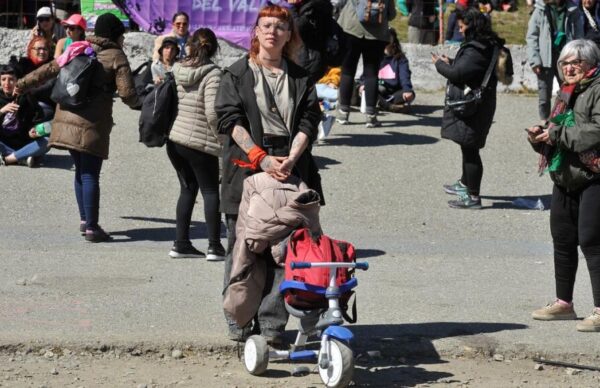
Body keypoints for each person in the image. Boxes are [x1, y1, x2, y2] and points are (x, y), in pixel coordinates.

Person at [214, 3, 323, 344]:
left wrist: (291, 158)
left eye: (280, 26)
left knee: (285, 252)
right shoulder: (235, 74)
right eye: (267, 25)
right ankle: (240, 322)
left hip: (291, 173)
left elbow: (309, 120)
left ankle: (272, 326)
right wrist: (261, 159)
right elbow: (228, 119)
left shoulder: (301, 78)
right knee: (242, 251)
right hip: (246, 173)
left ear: (290, 35)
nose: (273, 31)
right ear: (256, 32)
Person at [16, 13, 140, 243]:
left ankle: (85, 220)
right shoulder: (116, 56)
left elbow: (49, 69)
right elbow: (127, 94)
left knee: (80, 170)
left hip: (66, 118)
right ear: (114, 34)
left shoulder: (78, 48)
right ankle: (92, 227)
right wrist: (143, 105)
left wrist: (21, 84)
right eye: (121, 34)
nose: (123, 39)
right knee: (90, 172)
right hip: (93, 124)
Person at [527, 39, 600, 333]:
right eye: (564, 63)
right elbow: (556, 129)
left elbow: (595, 131)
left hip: (593, 176)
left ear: (591, 64)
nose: (568, 68)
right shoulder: (565, 92)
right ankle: (564, 304)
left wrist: (556, 134)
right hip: (564, 175)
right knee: (563, 239)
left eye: (576, 63)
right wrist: (540, 136)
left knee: (593, 242)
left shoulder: (597, 89)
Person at [433, 8, 505, 209]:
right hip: (479, 103)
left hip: (474, 106)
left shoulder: (476, 49)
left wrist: (440, 64)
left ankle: (473, 197)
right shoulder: (486, 45)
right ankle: (465, 184)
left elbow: (457, 74)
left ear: (472, 26)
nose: (459, 28)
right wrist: (454, 62)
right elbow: (469, 69)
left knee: (471, 150)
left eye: (462, 25)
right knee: (467, 146)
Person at [166, 28, 224, 260]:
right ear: (213, 48)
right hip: (200, 141)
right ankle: (214, 246)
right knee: (211, 191)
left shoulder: (178, 68)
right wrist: (222, 140)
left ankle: (180, 243)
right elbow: (212, 113)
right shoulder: (213, 74)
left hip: (175, 139)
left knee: (187, 188)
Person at [336, 0, 396, 128]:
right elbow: (391, 15)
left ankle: (343, 112)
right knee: (372, 74)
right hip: (377, 34)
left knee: (347, 71)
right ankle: (370, 116)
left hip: (351, 28)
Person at [526, 0, 583, 124]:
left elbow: (580, 37)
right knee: (544, 95)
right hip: (545, 59)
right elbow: (532, 36)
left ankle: (565, 120)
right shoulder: (540, 10)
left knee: (568, 91)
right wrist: (534, 60)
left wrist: (577, 59)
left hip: (567, 59)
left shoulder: (574, 10)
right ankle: (544, 121)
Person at [0, 64, 49, 167]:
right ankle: (22, 157)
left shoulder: (26, 97)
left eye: (11, 79)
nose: (7, 83)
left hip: (24, 142)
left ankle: (8, 159)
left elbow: (37, 118)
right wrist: (2, 111)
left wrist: (33, 130)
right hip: (4, 143)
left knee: (47, 141)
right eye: (3, 79)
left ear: (17, 80)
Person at [377, 27, 415, 112]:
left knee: (411, 94)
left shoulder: (400, 58)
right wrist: (362, 84)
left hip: (393, 92)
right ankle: (389, 106)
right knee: (364, 88)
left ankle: (382, 103)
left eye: (388, 36)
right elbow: (367, 75)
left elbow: (404, 76)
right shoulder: (375, 55)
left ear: (393, 39)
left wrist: (407, 90)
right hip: (377, 89)